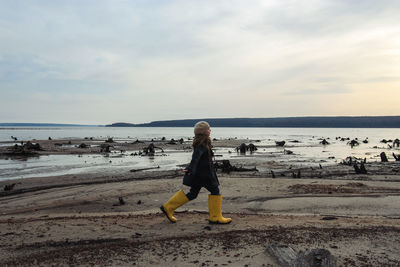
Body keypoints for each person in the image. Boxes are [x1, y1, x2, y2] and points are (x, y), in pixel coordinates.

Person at [160, 121, 232, 224]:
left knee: (193, 194)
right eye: (208, 129)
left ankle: (168, 207)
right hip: (204, 175)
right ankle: (215, 217)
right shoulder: (202, 144)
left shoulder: (203, 142)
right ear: (203, 132)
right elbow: (195, 159)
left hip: (199, 175)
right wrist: (190, 169)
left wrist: (190, 168)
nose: (210, 130)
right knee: (215, 191)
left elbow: (196, 159)